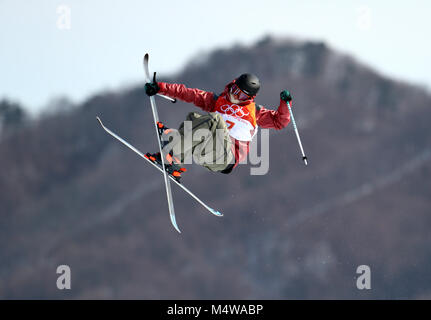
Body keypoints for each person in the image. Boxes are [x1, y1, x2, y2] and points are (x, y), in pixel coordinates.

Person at [144, 73, 292, 179]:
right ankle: (173, 155)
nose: (234, 97)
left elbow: (280, 121)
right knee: (194, 119)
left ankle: (172, 148)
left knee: (213, 119)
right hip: (206, 152)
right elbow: (189, 93)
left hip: (226, 158)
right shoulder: (217, 101)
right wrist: (160, 88)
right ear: (232, 86)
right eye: (234, 91)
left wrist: (285, 103)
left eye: (241, 96)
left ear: (249, 98)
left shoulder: (255, 112)